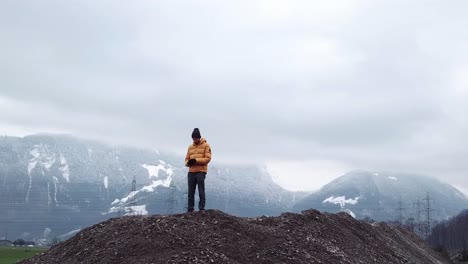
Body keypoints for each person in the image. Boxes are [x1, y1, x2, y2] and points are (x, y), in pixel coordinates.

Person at [185, 128, 212, 212]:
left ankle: (201, 208)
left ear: (199, 137)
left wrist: (196, 161)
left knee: (201, 191)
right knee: (190, 192)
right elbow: (186, 160)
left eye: (196, 138)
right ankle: (190, 209)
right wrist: (188, 163)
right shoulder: (190, 147)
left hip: (201, 172)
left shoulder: (206, 146)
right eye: (193, 138)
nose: (194, 140)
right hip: (191, 172)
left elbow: (208, 159)